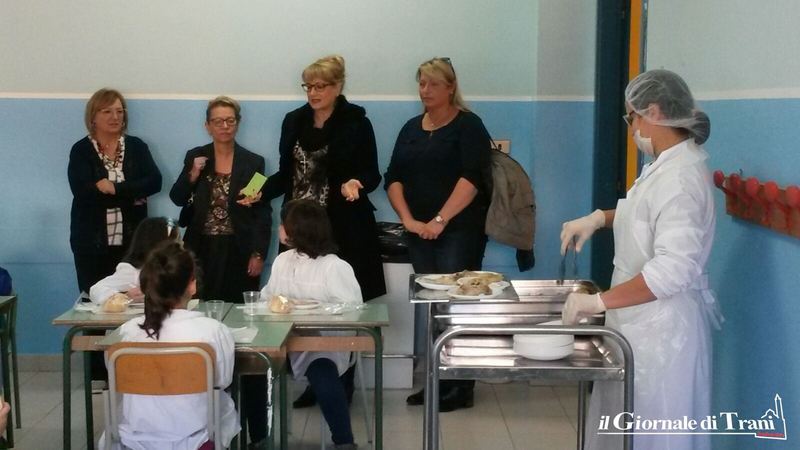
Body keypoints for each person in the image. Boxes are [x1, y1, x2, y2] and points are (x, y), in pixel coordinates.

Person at [560, 69, 721, 450]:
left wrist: (597, 302)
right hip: (638, 324)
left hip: (664, 334)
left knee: (654, 435)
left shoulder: (680, 179)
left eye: (631, 117)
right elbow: (645, 214)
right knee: (622, 428)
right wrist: (599, 218)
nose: (631, 128)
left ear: (654, 111)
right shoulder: (664, 165)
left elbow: (671, 272)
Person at [262, 55, 385, 408]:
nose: (313, 93)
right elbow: (285, 173)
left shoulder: (356, 122)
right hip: (298, 228)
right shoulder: (294, 121)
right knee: (297, 303)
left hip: (340, 227)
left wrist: (356, 182)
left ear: (338, 86)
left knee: (339, 307)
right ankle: (313, 378)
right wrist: (259, 191)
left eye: (321, 86)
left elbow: (373, 173)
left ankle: (342, 381)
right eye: (309, 86)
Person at [384, 57, 492, 412]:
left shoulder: (468, 125)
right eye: (421, 83)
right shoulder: (411, 128)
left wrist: (440, 220)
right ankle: (437, 380)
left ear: (450, 87)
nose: (425, 90)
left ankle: (461, 385)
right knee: (433, 307)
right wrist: (409, 220)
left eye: (433, 84)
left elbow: (472, 179)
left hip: (458, 230)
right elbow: (393, 177)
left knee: (457, 307)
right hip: (419, 231)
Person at [169, 95, 271, 446]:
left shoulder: (254, 161)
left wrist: (259, 252)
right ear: (207, 125)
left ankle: (255, 426)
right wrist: (193, 174)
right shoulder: (195, 156)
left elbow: (261, 211)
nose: (225, 126)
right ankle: (206, 415)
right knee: (202, 326)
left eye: (230, 120)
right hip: (201, 253)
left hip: (239, 252)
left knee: (246, 330)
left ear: (237, 123)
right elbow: (177, 197)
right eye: (218, 121)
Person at [98, 241, 239, 450]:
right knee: (223, 402)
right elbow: (222, 380)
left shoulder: (127, 333)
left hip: (133, 441)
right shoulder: (212, 331)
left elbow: (114, 375)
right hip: (195, 440)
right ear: (192, 285)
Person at [260, 199, 361, 450]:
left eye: (283, 224)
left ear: (297, 229)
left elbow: (354, 312)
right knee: (253, 368)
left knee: (322, 371)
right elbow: (266, 297)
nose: (279, 228)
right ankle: (258, 438)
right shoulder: (283, 260)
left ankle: (344, 441)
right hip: (283, 339)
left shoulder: (334, 266)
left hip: (324, 343)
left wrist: (314, 309)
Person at [68, 88, 162, 296]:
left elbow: (155, 182)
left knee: (134, 299)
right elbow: (83, 193)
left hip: (132, 243)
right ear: (93, 117)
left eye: (120, 111)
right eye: (107, 112)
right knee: (96, 298)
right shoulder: (81, 150)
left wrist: (115, 188)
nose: (115, 117)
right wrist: (133, 195)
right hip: (92, 244)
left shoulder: (137, 146)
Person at [89, 217, 180, 305]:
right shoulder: (133, 271)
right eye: (177, 241)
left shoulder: (175, 267)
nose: (181, 244)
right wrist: (125, 297)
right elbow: (96, 290)